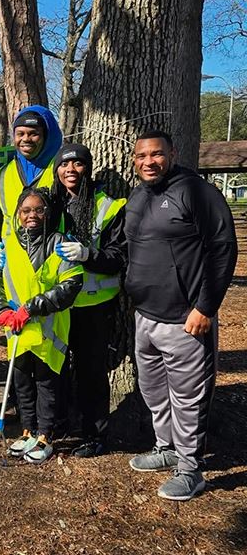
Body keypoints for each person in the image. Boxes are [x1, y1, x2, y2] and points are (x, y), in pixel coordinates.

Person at [125, 130, 237, 501]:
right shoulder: (139, 195)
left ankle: (190, 468)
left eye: (156, 154)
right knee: (154, 391)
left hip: (185, 319)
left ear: (172, 153)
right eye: (141, 156)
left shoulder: (196, 191)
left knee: (187, 397)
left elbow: (222, 250)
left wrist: (206, 307)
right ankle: (166, 448)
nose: (148, 162)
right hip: (145, 316)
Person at [0, 187, 83, 464]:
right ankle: (27, 430)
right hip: (16, 331)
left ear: (47, 212)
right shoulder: (6, 246)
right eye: (26, 210)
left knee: (47, 384)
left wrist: (31, 308)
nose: (32, 216)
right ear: (18, 214)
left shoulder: (59, 243)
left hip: (49, 330)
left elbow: (71, 284)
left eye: (38, 210)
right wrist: (2, 310)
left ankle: (45, 435)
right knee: (22, 383)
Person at [51, 144, 127, 457]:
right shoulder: (47, 203)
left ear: (88, 168)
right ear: (56, 170)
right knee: (52, 369)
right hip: (54, 302)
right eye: (64, 164)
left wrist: (88, 255)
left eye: (78, 164)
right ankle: (54, 428)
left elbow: (118, 257)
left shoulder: (108, 206)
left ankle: (94, 436)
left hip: (93, 305)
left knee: (91, 373)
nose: (71, 169)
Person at [0, 105, 63, 266]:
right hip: (11, 262)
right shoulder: (1, 175)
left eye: (33, 134)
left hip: (53, 260)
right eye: (20, 134)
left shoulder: (61, 170)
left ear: (47, 136)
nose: (25, 139)